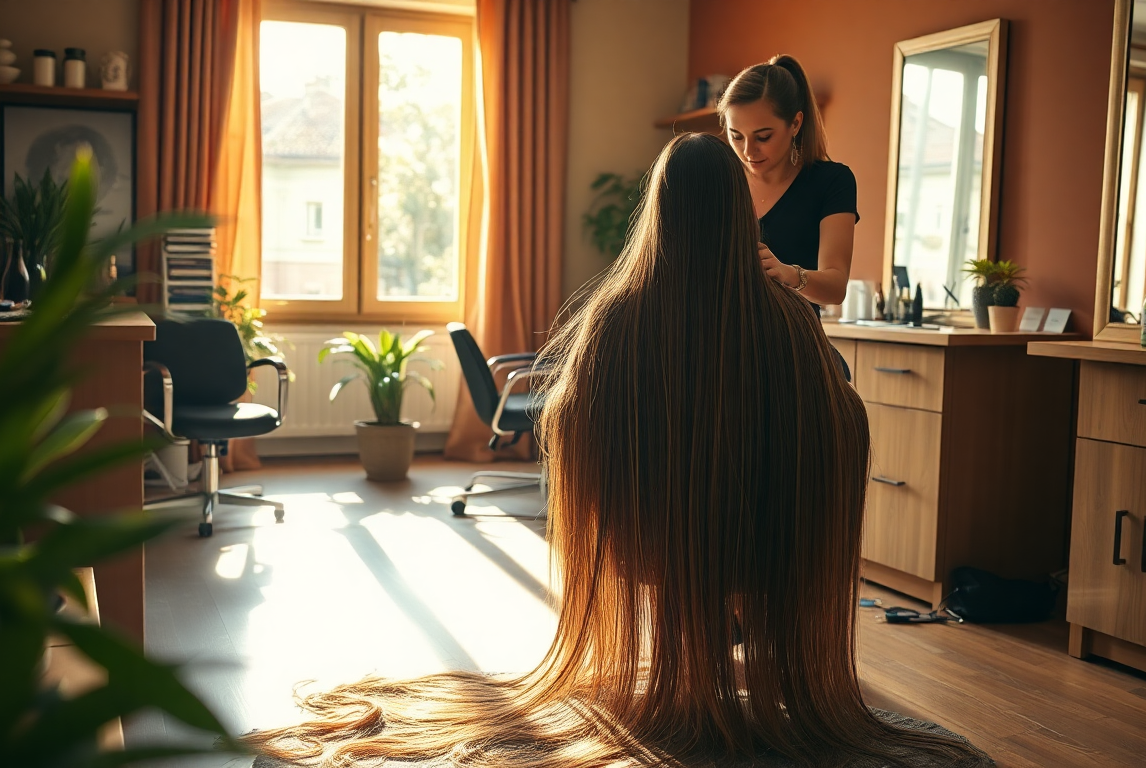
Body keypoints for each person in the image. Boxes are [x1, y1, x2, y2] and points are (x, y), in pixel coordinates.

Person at [243, 134, 988, 767]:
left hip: (646, 541)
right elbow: (843, 420)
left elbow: (565, 417)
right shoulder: (788, 321)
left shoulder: (618, 317)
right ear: (738, 214)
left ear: (656, 211)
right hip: (761, 541)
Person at [720, 54, 857, 310]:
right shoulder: (720, 184)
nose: (749, 151)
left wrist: (788, 274)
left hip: (794, 343)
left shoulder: (831, 181)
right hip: (725, 342)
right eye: (736, 136)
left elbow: (836, 288)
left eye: (763, 137)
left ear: (795, 123)